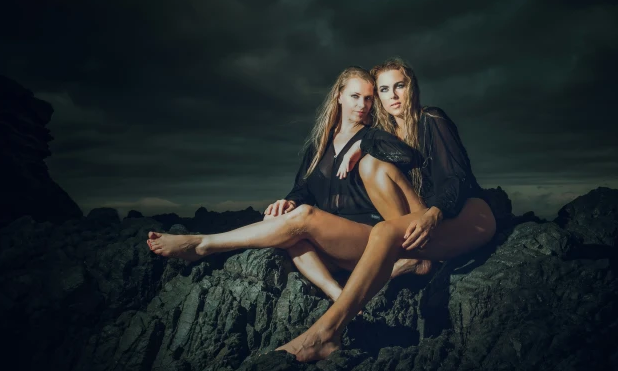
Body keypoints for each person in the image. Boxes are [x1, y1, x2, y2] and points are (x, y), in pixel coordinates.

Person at [277, 58, 497, 362]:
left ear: (412, 88)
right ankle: (411, 261)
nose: (393, 95)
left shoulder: (432, 119)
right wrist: (361, 147)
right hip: (421, 218)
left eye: (399, 86)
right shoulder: (383, 134)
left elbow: (456, 178)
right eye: (384, 89)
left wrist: (434, 214)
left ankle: (325, 334)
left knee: (382, 232)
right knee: (371, 179)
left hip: (467, 214)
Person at [147, 66, 425, 302]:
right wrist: (289, 201)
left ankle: (203, 244)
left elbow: (409, 156)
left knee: (304, 217)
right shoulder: (320, 145)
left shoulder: (375, 137)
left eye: (367, 99)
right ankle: (339, 295)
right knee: (289, 226)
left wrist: (363, 144)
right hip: (334, 245)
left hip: (368, 238)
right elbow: (303, 190)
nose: (362, 105)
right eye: (354, 97)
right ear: (339, 96)